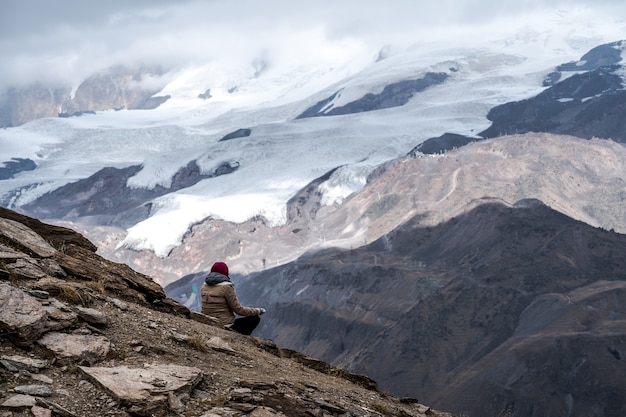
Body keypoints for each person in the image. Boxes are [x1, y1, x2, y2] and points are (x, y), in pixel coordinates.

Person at [200, 261, 265, 335]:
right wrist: (258, 311)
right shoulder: (226, 287)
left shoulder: (204, 286)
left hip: (208, 322)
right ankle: (241, 338)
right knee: (255, 319)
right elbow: (238, 310)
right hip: (225, 325)